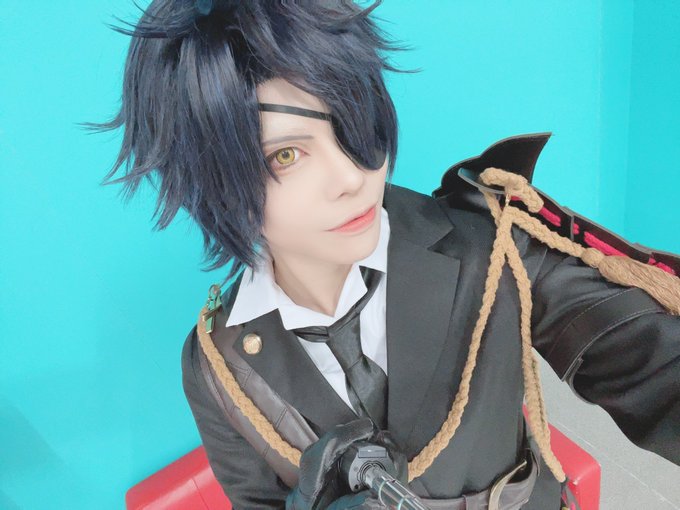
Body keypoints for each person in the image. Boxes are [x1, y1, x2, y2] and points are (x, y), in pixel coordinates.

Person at [88, 1, 680, 508]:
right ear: (210, 182)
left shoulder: (491, 240)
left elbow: (650, 362)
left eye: (350, 122)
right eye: (286, 155)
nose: (353, 175)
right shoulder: (217, 364)